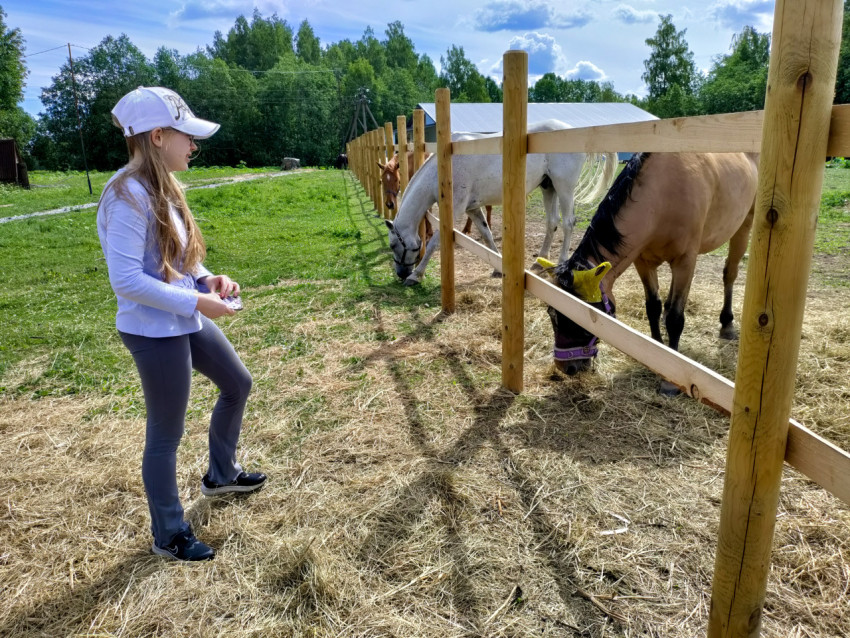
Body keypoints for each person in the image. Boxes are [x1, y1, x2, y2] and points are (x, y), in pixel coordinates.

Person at [97, 86, 267, 561]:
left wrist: (208, 280)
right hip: (153, 331)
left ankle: (221, 474)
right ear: (156, 136)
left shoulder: (163, 189)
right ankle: (169, 533)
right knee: (166, 435)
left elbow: (177, 261)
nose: (193, 145)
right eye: (185, 136)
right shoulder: (126, 196)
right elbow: (127, 280)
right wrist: (196, 302)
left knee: (237, 382)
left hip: (181, 318)